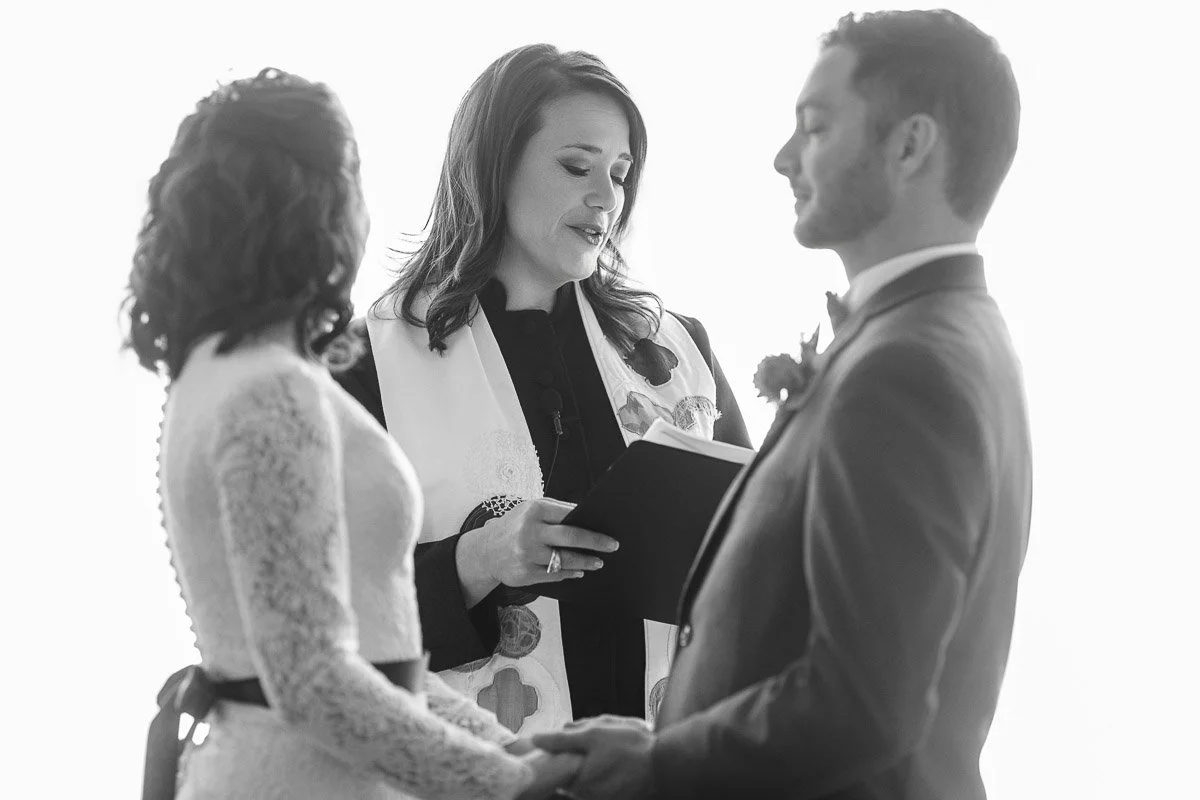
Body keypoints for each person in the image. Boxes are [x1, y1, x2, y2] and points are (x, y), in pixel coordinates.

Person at [534, 10, 1032, 799]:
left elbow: (864, 704)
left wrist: (660, 766)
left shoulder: (904, 370)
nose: (782, 158)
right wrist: (675, 731)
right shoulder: (944, 331)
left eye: (816, 126)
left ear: (909, 145)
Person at [124, 68, 578, 800]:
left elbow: (371, 658)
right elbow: (313, 683)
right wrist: (510, 788)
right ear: (321, 206)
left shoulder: (213, 370)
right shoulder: (273, 391)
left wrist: (521, 758)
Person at [335, 43, 750, 737]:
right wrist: (482, 557)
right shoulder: (367, 364)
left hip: (667, 764)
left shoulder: (678, 350)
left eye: (621, 174)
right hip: (480, 763)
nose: (606, 198)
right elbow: (326, 617)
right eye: (576, 166)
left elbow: (764, 553)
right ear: (493, 167)